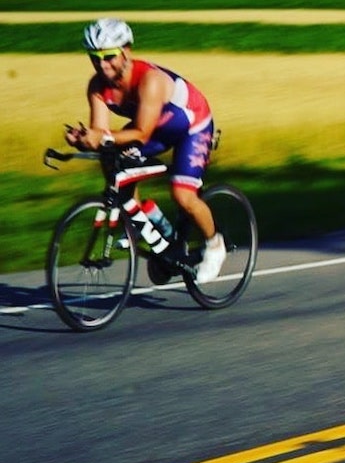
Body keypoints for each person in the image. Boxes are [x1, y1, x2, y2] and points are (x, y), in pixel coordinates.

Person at [65, 18, 226, 283]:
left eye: (109, 57)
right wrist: (84, 139)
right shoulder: (97, 87)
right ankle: (150, 225)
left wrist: (101, 137)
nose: (102, 65)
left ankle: (214, 244)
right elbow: (101, 134)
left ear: (126, 51)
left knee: (183, 194)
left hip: (191, 125)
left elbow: (141, 132)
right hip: (156, 127)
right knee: (113, 161)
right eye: (95, 58)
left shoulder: (149, 80)